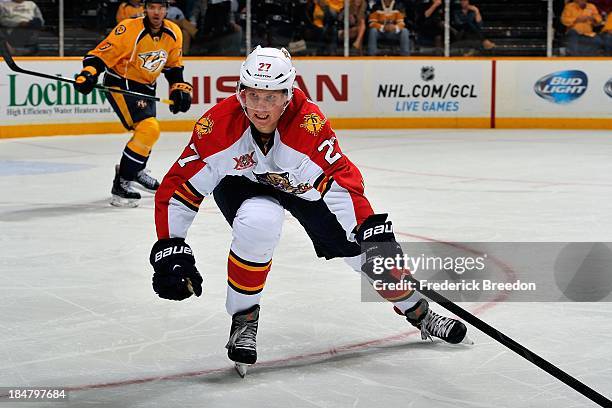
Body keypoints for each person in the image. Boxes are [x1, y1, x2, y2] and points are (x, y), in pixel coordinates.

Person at [148, 46, 470, 377]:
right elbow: (179, 187)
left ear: (288, 96)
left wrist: (371, 232)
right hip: (241, 186)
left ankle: (417, 310)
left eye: (271, 97)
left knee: (363, 254)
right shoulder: (216, 127)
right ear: (240, 93)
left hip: (302, 188)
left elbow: (340, 182)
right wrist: (171, 247)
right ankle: (243, 320)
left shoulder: (308, 125)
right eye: (253, 95)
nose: (261, 107)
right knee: (259, 223)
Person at [73, 0, 193, 207]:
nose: (157, 12)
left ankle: (135, 171)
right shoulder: (129, 28)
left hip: (147, 87)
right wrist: (89, 73)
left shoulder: (173, 32)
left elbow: (173, 67)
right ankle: (122, 183)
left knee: (149, 132)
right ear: (145, 8)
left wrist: (177, 88)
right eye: (152, 7)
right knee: (149, 128)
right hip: (121, 83)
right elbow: (101, 55)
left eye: (161, 7)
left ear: (167, 9)